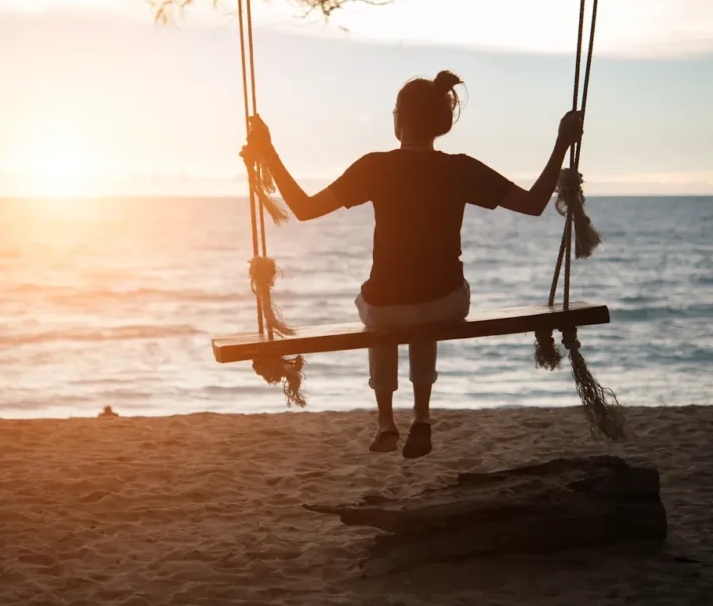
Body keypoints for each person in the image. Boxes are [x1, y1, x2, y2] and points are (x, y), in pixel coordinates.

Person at [242, 70, 584, 458]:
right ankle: (422, 416)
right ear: (439, 121)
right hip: (447, 304)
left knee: (382, 304)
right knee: (428, 300)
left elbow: (303, 208)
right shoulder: (460, 168)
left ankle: (386, 420)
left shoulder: (375, 166)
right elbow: (534, 203)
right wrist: (561, 143)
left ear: (400, 118)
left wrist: (268, 153)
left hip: (388, 310)